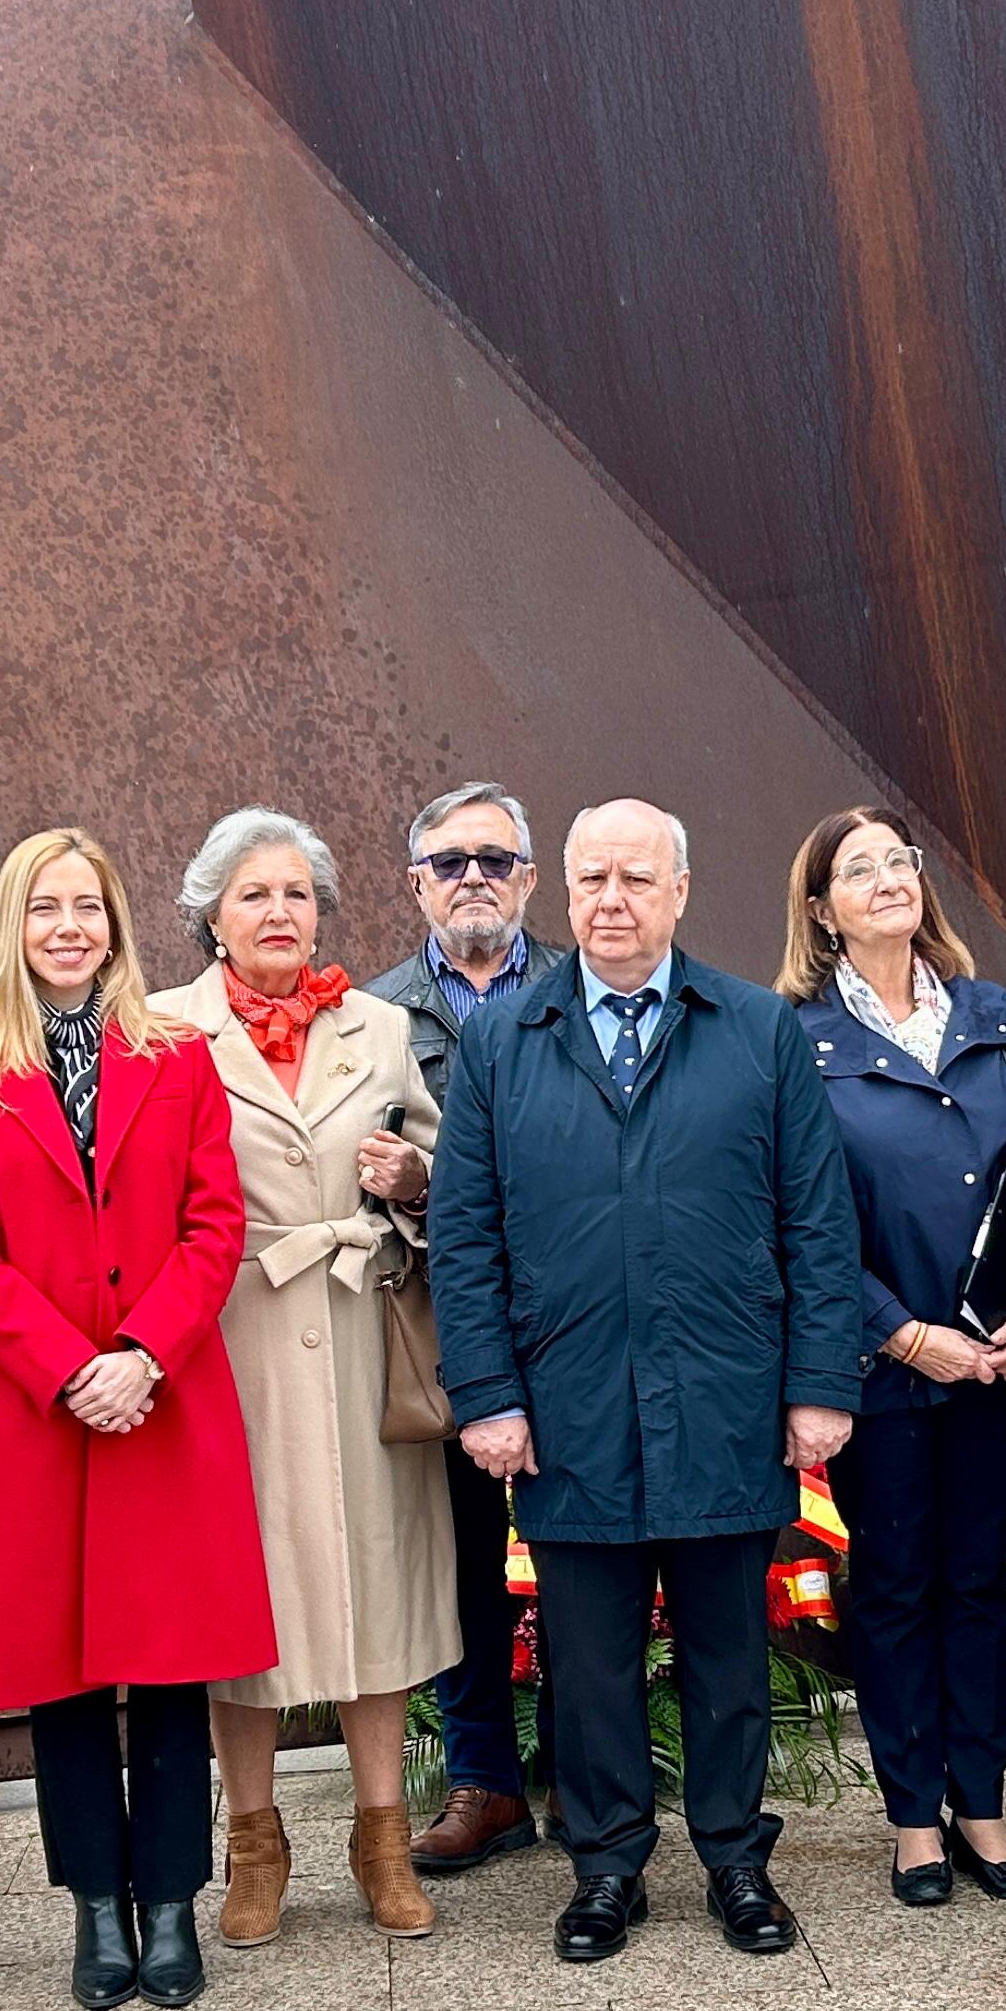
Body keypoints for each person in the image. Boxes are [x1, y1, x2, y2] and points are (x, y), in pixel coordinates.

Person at [429, 797, 865, 1964]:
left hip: (724, 1394)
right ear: (563, 895)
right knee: (587, 1662)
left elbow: (816, 1225)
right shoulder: (502, 1041)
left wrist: (818, 1384)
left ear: (679, 891)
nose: (610, 901)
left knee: (727, 1650)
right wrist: (485, 1394)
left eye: (634, 879)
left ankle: (734, 1860)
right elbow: (465, 1239)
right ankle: (607, 1864)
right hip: (567, 1408)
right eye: (590, 881)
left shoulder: (757, 1032)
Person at [0, 829, 275, 2011]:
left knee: (166, 1661)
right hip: (38, 1409)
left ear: (116, 925)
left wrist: (139, 1356)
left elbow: (212, 1223)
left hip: (160, 1399)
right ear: (9, 927)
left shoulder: (174, 1056)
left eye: (89, 907)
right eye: (44, 908)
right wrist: (69, 1366)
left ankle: (169, 1905)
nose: (68, 928)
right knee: (62, 1672)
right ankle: (95, 1915)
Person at [156, 809, 456, 1946]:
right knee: (243, 1596)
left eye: (295, 894)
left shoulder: (377, 1025)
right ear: (211, 918)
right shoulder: (163, 1029)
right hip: (225, 1333)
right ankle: (253, 1843)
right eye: (253, 895)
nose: (278, 913)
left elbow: (444, 1169)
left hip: (359, 1326)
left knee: (375, 1585)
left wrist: (414, 1176)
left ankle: (382, 1837)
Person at [782, 805, 1006, 1901]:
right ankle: (912, 1819)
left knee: (975, 1583)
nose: (889, 877)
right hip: (882, 1370)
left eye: (900, 859)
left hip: (997, 1360)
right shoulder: (793, 1037)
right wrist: (899, 1333)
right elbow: (793, 1218)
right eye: (860, 868)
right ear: (822, 909)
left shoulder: (994, 1015)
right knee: (894, 1586)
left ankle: (982, 1807)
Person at [365, 785, 574, 1879]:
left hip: (581, 1326)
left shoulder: (586, 990)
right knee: (458, 1570)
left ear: (531, 878)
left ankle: (590, 1776)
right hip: (440, 1337)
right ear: (415, 885)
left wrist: (429, 1178)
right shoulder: (372, 1016)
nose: (474, 878)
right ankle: (484, 1782)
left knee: (588, 1554)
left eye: (496, 858)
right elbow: (342, 1181)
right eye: (449, 863)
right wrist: (400, 1187)